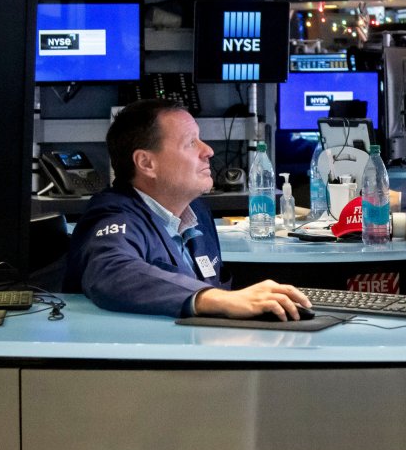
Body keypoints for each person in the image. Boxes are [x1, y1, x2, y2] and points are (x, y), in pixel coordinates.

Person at [64, 98, 312, 320]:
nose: (208, 151)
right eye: (191, 143)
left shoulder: (196, 213)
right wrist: (215, 299)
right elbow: (112, 271)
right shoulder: (114, 215)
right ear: (146, 163)